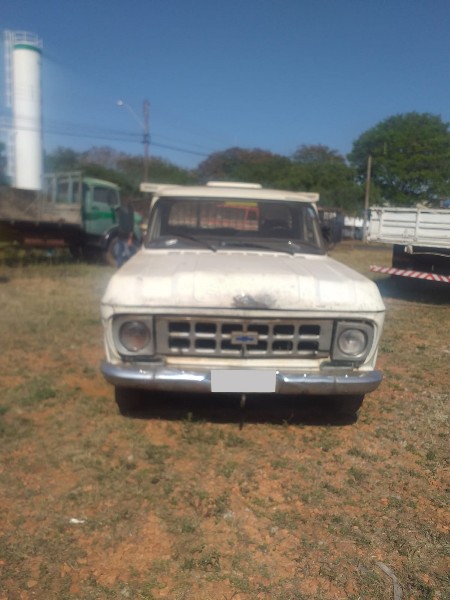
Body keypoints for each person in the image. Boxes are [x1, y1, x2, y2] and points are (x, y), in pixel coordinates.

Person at [115, 202, 138, 267]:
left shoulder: (128, 215)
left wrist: (130, 239)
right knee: (119, 253)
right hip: (120, 237)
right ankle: (119, 267)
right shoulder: (122, 216)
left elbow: (131, 227)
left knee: (128, 254)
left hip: (126, 238)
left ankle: (129, 266)